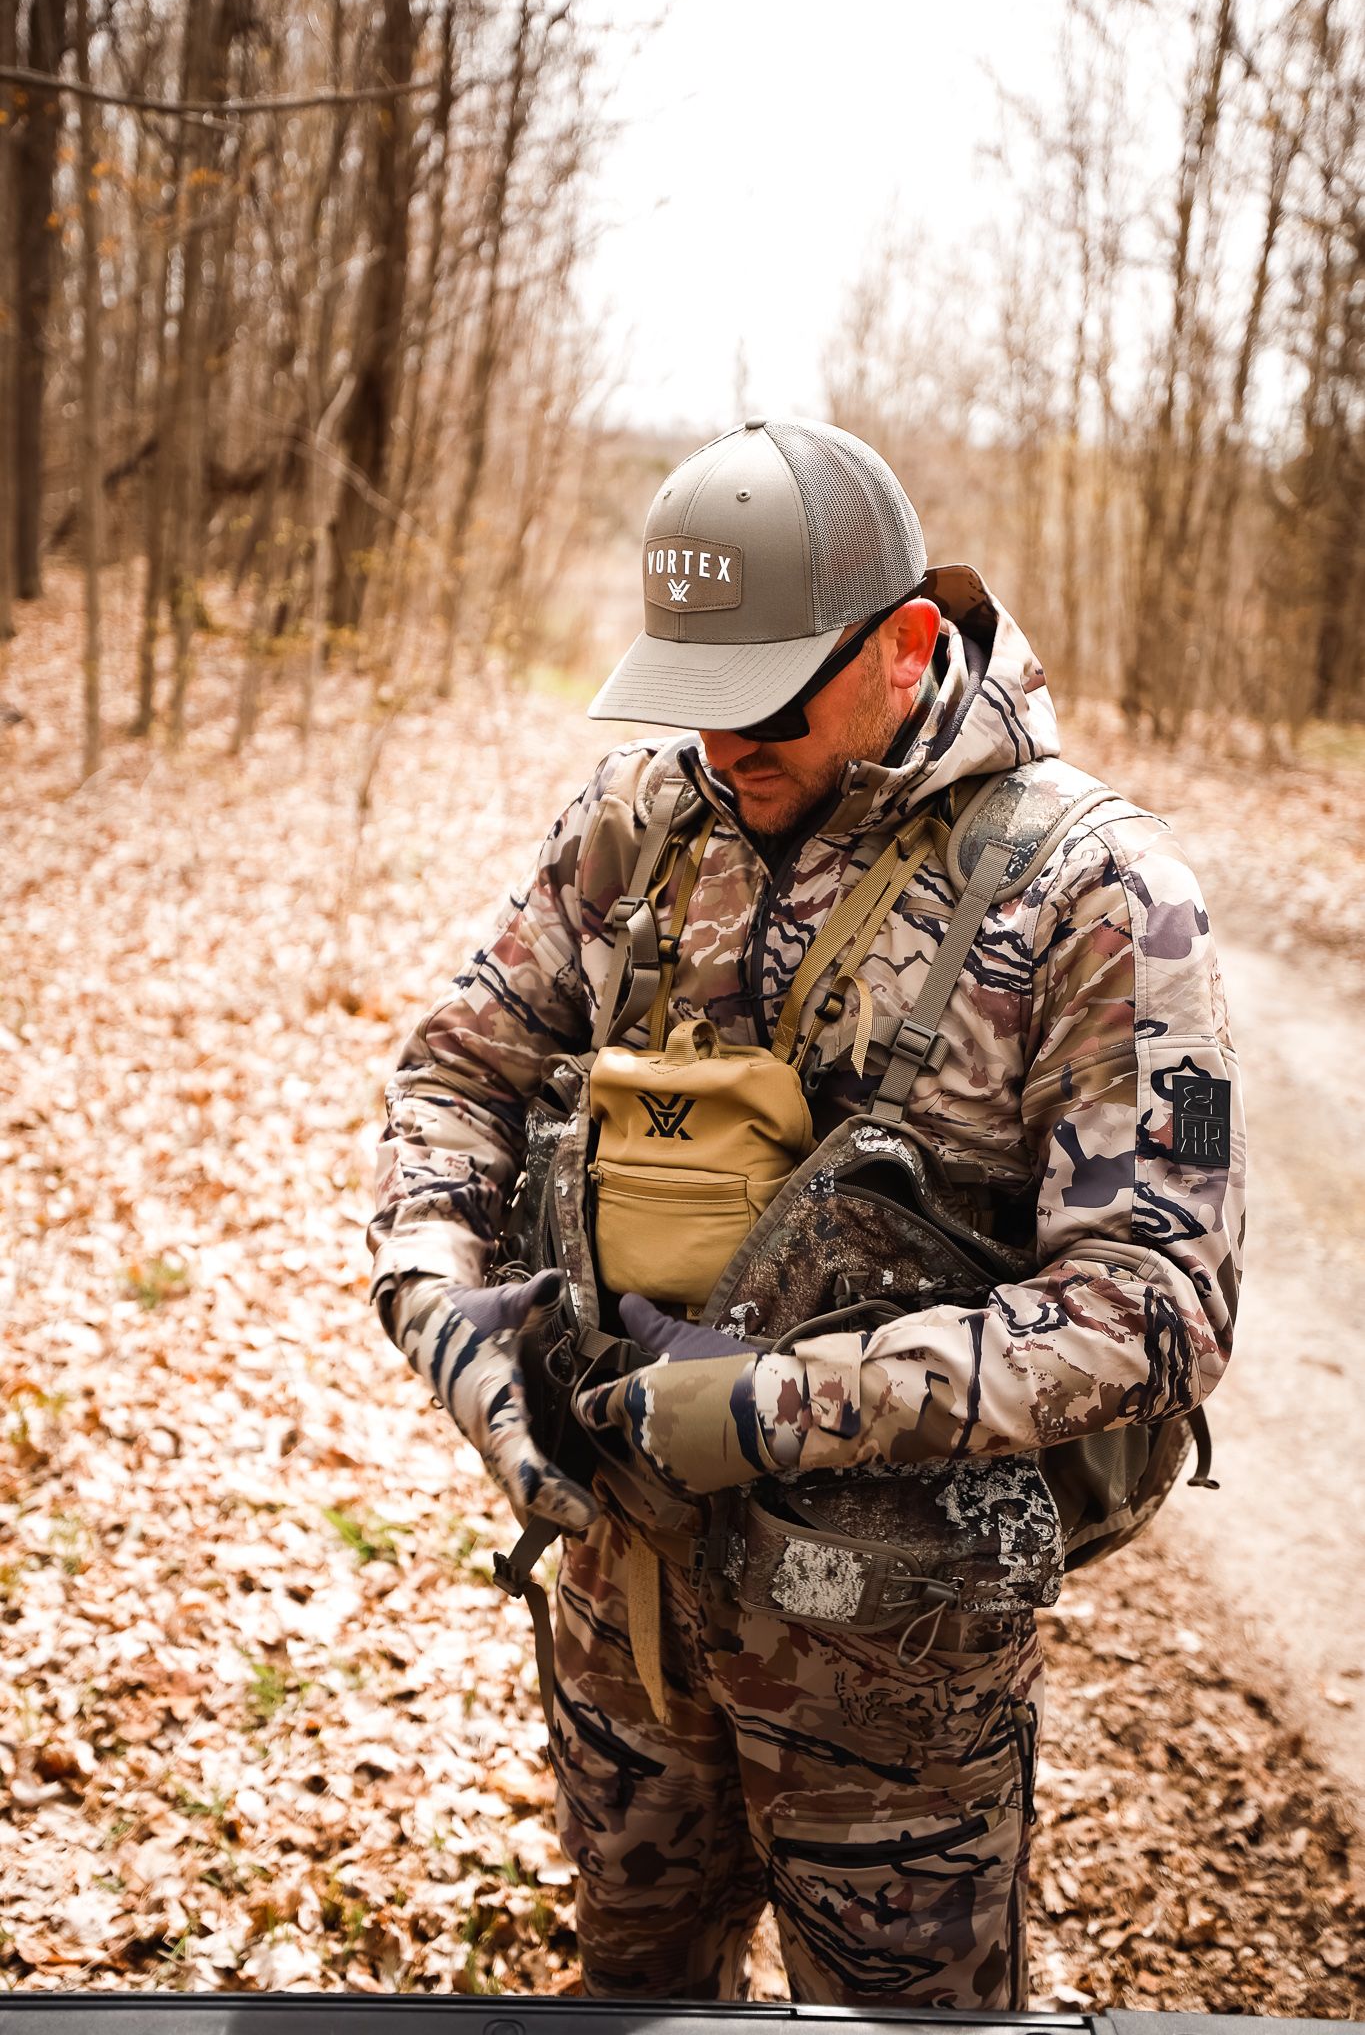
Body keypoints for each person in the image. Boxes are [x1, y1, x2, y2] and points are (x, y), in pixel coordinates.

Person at [367, 418, 1244, 2009]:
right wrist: (450, 1320)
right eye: (691, 703)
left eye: (763, 701)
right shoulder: (637, 824)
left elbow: (1161, 1303)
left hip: (890, 1671)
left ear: (907, 646)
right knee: (640, 1984)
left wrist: (775, 1410)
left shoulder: (1090, 890)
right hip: (617, 1609)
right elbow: (450, 1085)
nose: (724, 749)